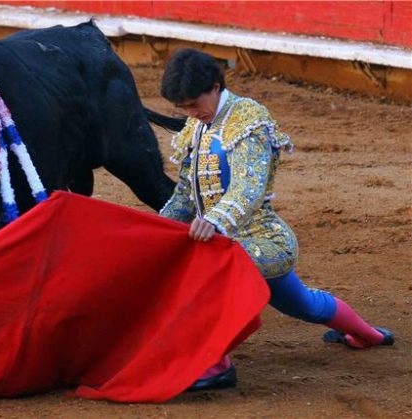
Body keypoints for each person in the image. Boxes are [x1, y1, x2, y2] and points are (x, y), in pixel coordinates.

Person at [158, 49, 394, 391]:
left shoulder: (247, 118)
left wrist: (216, 220)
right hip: (223, 240)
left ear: (215, 86)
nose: (191, 113)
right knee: (305, 305)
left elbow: (249, 187)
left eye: (194, 104)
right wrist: (157, 230)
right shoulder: (197, 127)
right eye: (184, 108)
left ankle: (216, 365)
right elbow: (184, 195)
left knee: (210, 271)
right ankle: (369, 335)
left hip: (263, 241)